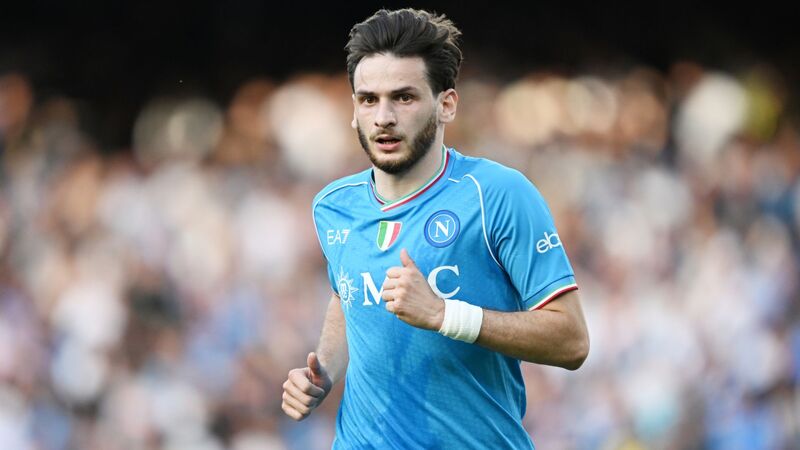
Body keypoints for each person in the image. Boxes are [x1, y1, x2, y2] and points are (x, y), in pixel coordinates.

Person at [282, 8, 589, 449]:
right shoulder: (333, 206)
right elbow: (346, 294)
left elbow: (571, 341)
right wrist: (324, 372)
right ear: (353, 110)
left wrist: (445, 315)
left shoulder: (497, 194)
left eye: (403, 98)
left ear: (446, 104)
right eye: (368, 100)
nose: (383, 117)